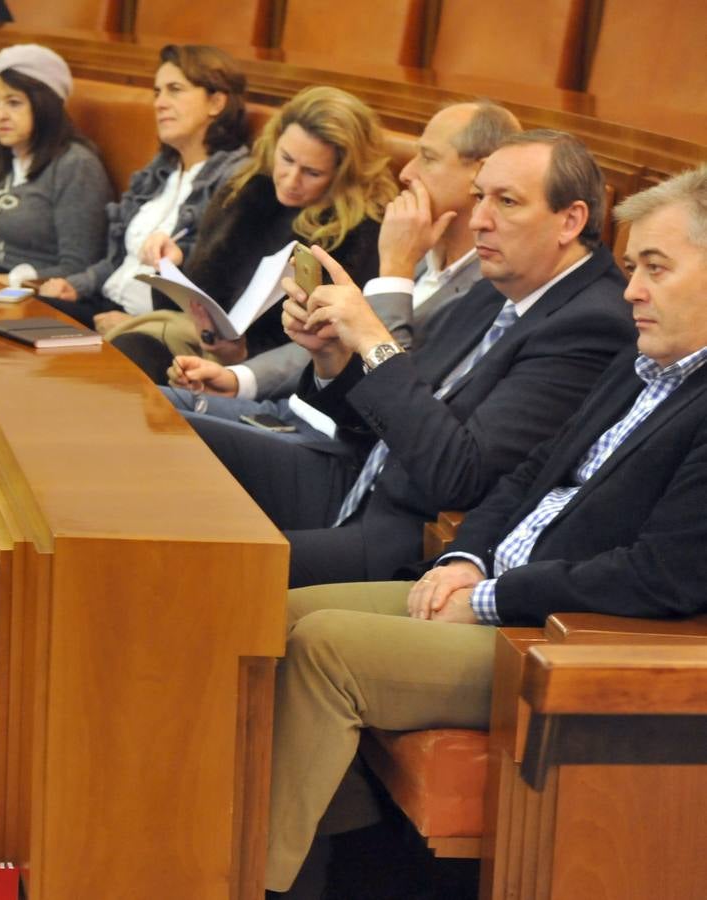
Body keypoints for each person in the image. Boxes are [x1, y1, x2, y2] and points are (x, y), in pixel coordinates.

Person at [265, 163, 707, 895]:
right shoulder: (642, 360)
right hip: (498, 586)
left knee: (323, 649)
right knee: (280, 613)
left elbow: (658, 577)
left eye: (655, 269)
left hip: (560, 635)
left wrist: (491, 599)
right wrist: (468, 557)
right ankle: (346, 860)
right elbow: (529, 475)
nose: (631, 289)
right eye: (630, 268)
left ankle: (263, 880)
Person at [195, 131, 636, 588]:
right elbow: (382, 416)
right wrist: (331, 357)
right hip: (358, 476)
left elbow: (458, 477)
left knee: (215, 564)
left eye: (506, 202)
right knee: (179, 440)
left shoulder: (590, 327)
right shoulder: (499, 285)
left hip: (409, 534)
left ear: (570, 220)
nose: (480, 220)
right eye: (479, 197)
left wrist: (371, 338)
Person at [166, 100, 522, 436]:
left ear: (481, 172)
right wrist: (242, 378)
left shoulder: (491, 286)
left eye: (427, 158)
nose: (408, 173)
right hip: (291, 409)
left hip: (339, 442)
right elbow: (333, 339)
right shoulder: (417, 245)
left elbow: (394, 394)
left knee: (161, 423)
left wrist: (395, 268)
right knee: (150, 403)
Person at [106, 85, 398, 391]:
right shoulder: (247, 189)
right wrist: (171, 266)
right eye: (286, 159)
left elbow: (334, 347)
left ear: (343, 175)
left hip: (265, 379)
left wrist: (244, 354)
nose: (290, 179)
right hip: (189, 342)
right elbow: (187, 304)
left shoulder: (359, 232)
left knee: (128, 371)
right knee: (120, 362)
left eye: (312, 173)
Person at [36, 44, 252, 331]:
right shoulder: (158, 172)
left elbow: (217, 286)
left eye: (174, 89)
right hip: (104, 306)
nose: (159, 103)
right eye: (157, 92)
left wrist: (136, 324)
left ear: (216, 103)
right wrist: (75, 286)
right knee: (21, 312)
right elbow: (120, 262)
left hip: (160, 328)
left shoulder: (235, 180)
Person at [0, 44, 111, 285]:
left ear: (45, 105)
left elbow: (77, 268)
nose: (0, 115)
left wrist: (1, 281)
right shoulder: (4, 161)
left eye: (13, 103)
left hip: (40, 296)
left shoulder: (76, 166)